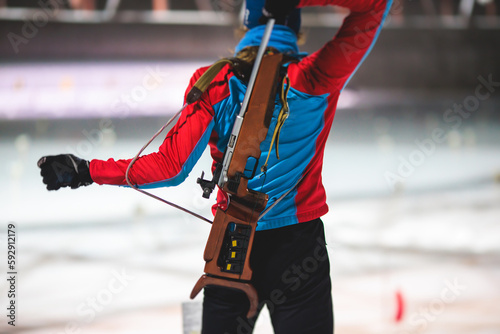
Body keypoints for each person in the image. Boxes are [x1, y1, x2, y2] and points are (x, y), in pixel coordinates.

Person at [38, 0, 393, 332]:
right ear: (296, 30)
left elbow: (169, 168)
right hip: (300, 249)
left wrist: (86, 170)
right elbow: (376, 5)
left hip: (232, 249)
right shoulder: (317, 76)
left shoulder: (216, 82)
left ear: (245, 26)